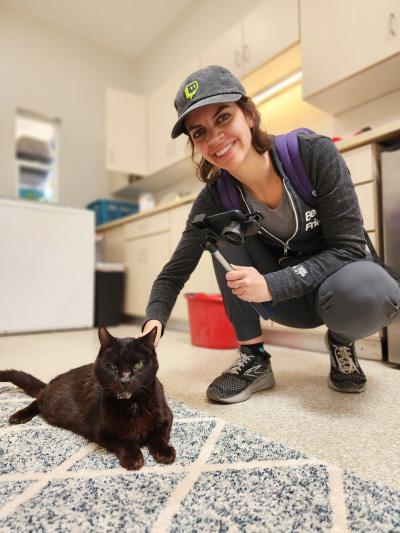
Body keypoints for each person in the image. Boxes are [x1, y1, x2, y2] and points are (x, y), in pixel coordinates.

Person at [141, 65, 400, 404]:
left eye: (222, 118)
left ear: (248, 115)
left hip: (335, 288)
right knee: (216, 225)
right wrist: (152, 325)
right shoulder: (216, 196)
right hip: (284, 302)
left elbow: (350, 248)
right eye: (199, 132)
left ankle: (341, 342)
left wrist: (272, 285)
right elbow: (173, 274)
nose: (214, 138)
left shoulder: (312, 154)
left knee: (371, 289)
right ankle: (253, 357)